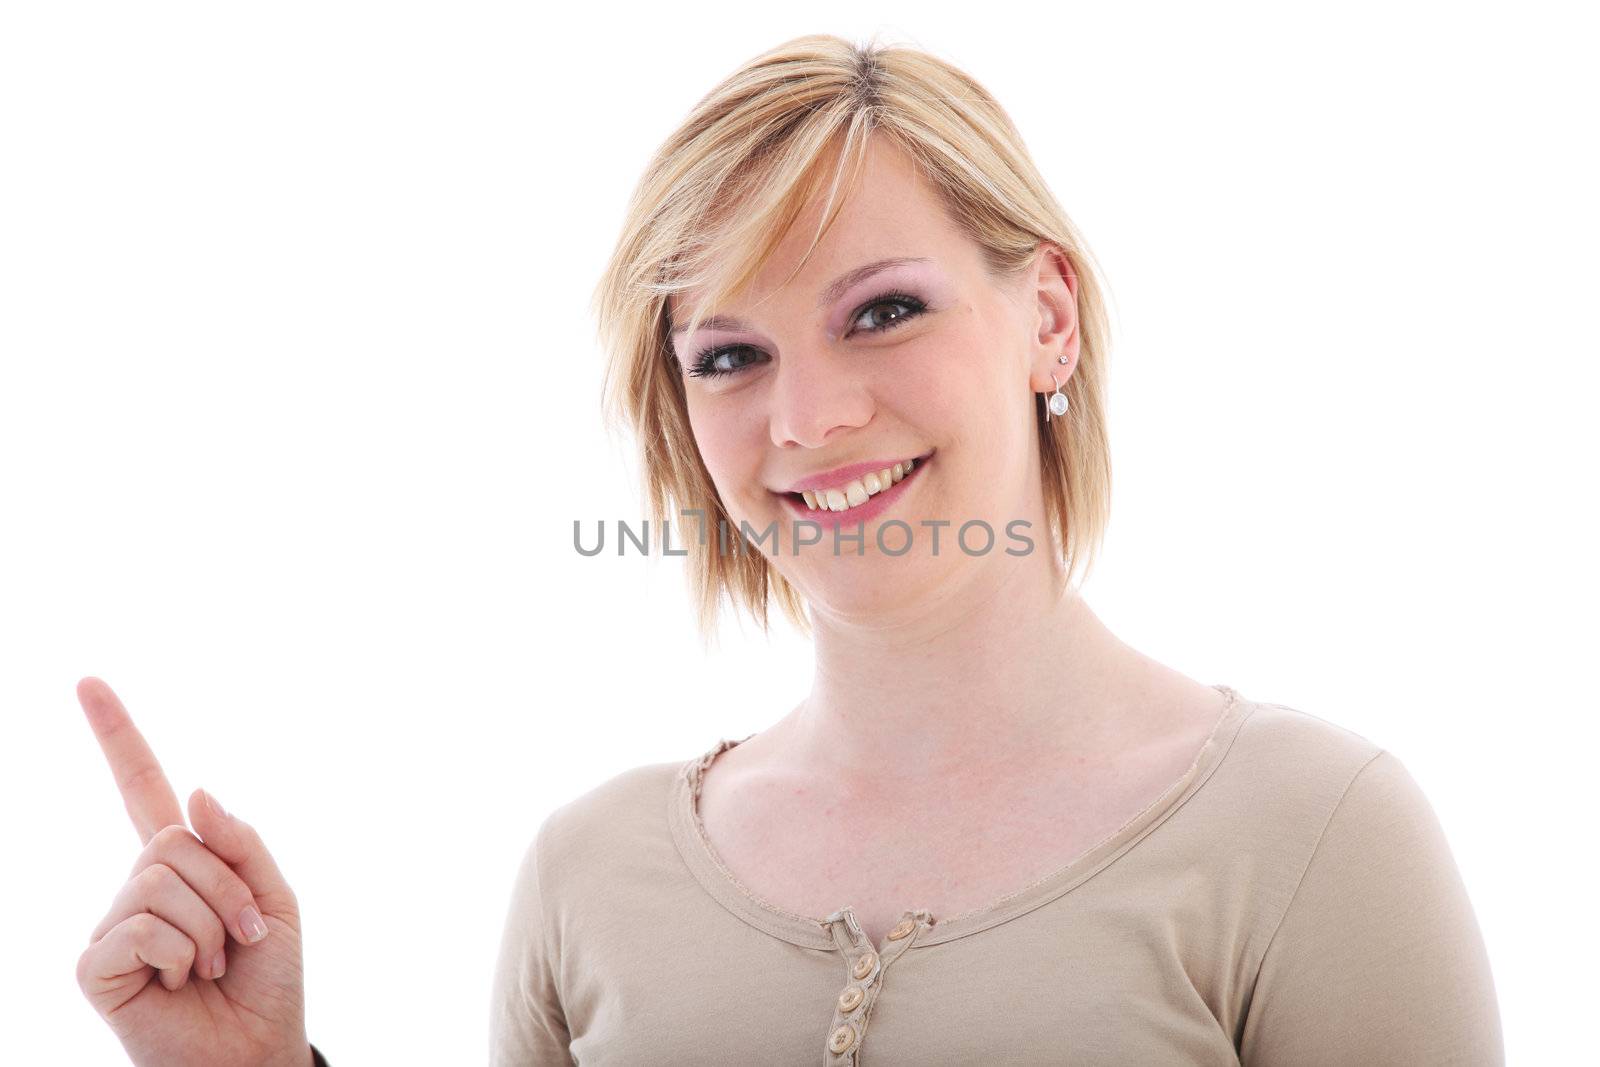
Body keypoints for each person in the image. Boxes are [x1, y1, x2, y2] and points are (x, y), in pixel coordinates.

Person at [76, 33, 1504, 1066]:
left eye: (883, 311)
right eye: (731, 355)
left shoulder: (1313, 837)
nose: (808, 417)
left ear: (1048, 318)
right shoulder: (592, 872)